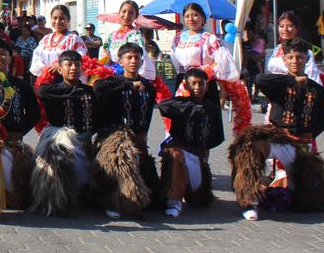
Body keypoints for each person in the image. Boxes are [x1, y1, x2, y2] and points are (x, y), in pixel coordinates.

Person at [230, 38, 324, 221]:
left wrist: (310, 134)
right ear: (284, 59)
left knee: (308, 198)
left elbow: (321, 122)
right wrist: (291, 80)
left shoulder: (318, 90)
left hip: (302, 145)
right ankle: (250, 202)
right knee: (252, 148)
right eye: (290, 57)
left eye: (299, 57)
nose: (295, 61)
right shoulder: (279, 84)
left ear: (306, 59)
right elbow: (259, 79)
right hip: (277, 139)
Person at [92, 42, 159, 217]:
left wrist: (143, 133)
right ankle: (113, 202)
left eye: (137, 57)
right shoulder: (112, 82)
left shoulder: (148, 87)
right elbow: (97, 88)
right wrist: (129, 85)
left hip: (138, 136)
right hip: (113, 135)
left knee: (149, 177)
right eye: (129, 57)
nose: (133, 61)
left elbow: (147, 114)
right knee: (119, 161)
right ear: (120, 61)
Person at [29, 50, 100, 216]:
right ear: (59, 69)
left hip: (86, 143)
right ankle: (54, 201)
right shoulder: (52, 91)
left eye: (77, 65)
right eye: (68, 65)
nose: (73, 68)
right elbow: (41, 91)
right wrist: (54, 75)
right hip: (60, 143)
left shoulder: (90, 92)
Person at [170, 2, 248, 133]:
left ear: (202, 17)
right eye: (187, 16)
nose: (191, 19)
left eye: (195, 15)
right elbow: (175, 59)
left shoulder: (209, 38)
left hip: (203, 83)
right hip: (183, 81)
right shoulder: (178, 38)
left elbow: (222, 63)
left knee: (203, 125)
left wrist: (208, 72)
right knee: (182, 124)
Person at [0, 38, 41, 210]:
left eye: (3, 54)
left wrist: (19, 131)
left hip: (12, 143)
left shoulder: (20, 85)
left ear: (10, 58)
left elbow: (34, 113)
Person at [157, 68, 224, 218]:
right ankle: (174, 201)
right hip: (180, 151)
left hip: (197, 156)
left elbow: (216, 136)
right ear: (186, 85)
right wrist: (190, 107)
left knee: (199, 200)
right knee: (176, 154)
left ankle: (190, 190)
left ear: (207, 86)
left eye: (201, 83)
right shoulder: (180, 103)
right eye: (193, 83)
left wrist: (203, 155)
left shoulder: (212, 108)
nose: (197, 87)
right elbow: (163, 106)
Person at [263, 12, 320, 116]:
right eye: (281, 26)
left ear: (297, 29)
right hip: (277, 97)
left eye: (289, 26)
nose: (285, 29)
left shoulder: (305, 52)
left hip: (296, 97)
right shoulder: (277, 49)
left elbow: (312, 76)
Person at [98, 0, 156, 80]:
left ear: (136, 16)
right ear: (119, 13)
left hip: (128, 75)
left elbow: (138, 57)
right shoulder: (111, 35)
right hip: (110, 73)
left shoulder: (136, 35)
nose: (126, 15)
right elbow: (104, 52)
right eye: (124, 11)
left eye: (131, 13)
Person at [28, 5, 88, 79]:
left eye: (61, 18)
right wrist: (46, 70)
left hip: (67, 81)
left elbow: (82, 59)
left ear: (68, 20)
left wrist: (61, 66)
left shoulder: (74, 39)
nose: (57, 22)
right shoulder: (46, 39)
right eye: (55, 18)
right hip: (47, 79)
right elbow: (37, 58)